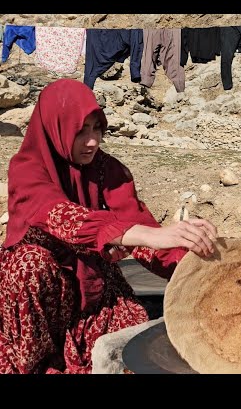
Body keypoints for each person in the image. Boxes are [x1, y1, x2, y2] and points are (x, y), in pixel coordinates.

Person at [0, 79, 219, 374]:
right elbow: (61, 215)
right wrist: (144, 234)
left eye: (96, 129)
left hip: (89, 282)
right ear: (56, 128)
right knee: (28, 264)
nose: (92, 141)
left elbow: (144, 233)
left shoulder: (106, 169)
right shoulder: (27, 168)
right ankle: (30, 362)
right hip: (44, 290)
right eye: (80, 131)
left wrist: (200, 274)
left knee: (130, 347)